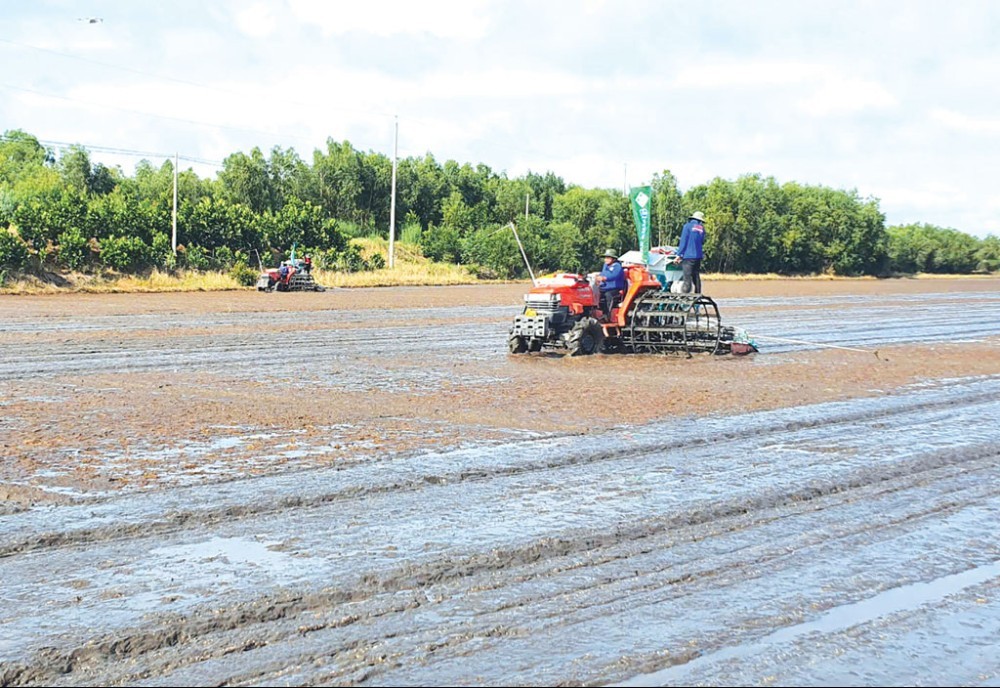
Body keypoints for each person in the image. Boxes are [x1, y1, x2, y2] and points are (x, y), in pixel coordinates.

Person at [674, 211, 706, 293]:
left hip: (688, 256)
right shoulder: (702, 229)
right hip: (698, 256)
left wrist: (678, 255)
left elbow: (683, 242)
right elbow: (702, 241)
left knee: (687, 278)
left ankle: (685, 296)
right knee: (696, 276)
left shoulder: (687, 227)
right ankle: (698, 293)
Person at [595, 249, 625, 314]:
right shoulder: (605, 265)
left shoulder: (617, 266)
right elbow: (603, 273)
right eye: (605, 258)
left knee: (608, 295)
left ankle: (607, 314)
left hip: (615, 288)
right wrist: (598, 277)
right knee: (595, 293)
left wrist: (604, 278)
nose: (606, 259)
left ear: (613, 259)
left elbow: (614, 275)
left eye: (608, 258)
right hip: (604, 287)